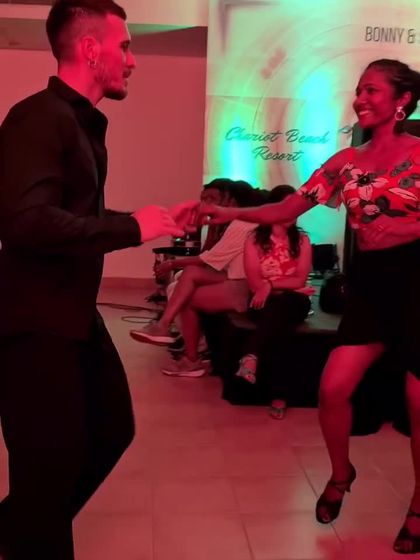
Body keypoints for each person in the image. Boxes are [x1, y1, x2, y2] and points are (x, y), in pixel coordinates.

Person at [0, 1, 196, 559]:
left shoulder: (76, 123)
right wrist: (131, 228)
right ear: (90, 49)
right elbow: (26, 221)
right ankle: (28, 531)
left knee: (109, 429)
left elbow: (70, 218)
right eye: (125, 46)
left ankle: (17, 526)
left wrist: (150, 221)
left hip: (71, 314)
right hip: (34, 323)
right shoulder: (38, 117)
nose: (132, 60)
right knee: (48, 466)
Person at [200, 59, 420, 554]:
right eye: (358, 90)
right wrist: (227, 211)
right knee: (332, 389)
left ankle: (419, 506)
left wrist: (408, 227)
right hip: (372, 287)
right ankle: (342, 474)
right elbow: (287, 208)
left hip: (417, 284)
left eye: (372, 90)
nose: (360, 99)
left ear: (402, 99)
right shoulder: (347, 162)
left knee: (418, 403)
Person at [130, 183, 267, 377]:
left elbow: (212, 258)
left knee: (186, 297)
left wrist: (172, 264)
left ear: (234, 202)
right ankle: (167, 328)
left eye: (222, 200)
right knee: (190, 274)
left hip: (240, 285)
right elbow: (211, 257)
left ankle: (190, 356)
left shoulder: (242, 224)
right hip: (234, 277)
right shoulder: (238, 223)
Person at [237, 185, 313, 419]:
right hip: (264, 302)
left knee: (285, 305)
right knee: (281, 330)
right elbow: (254, 283)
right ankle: (279, 396)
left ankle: (250, 355)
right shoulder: (254, 239)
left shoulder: (302, 240)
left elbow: (300, 279)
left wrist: (270, 284)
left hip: (294, 301)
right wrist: (277, 286)